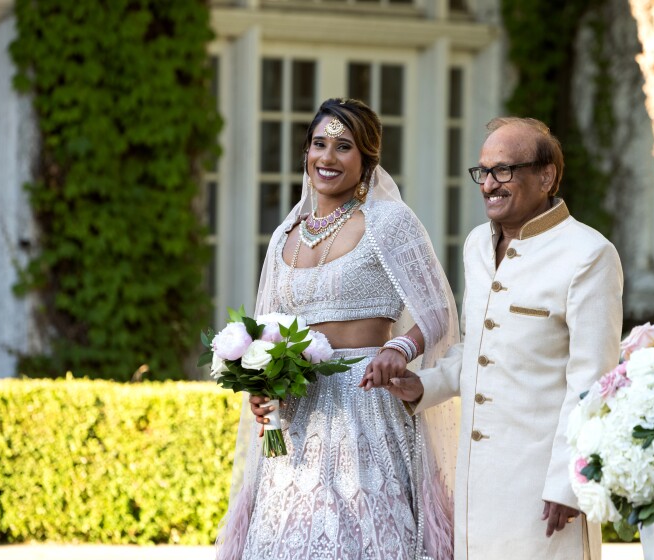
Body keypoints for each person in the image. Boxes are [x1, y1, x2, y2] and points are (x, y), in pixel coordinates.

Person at [364, 117, 623, 559]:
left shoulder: (588, 254)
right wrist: (425, 385)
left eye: (503, 170)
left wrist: (568, 480)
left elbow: (593, 382)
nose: (488, 184)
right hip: (475, 480)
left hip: (543, 486)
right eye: (482, 171)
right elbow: (478, 347)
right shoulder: (476, 247)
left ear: (547, 176)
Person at [215, 98, 461, 560]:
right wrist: (261, 385)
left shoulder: (389, 223)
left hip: (365, 400)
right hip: (297, 412)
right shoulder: (284, 234)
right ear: (305, 152)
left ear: (367, 160)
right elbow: (267, 325)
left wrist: (400, 348)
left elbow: (435, 309)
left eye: (344, 146)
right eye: (319, 144)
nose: (327, 157)